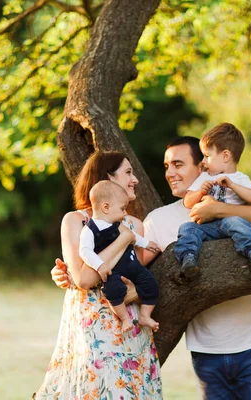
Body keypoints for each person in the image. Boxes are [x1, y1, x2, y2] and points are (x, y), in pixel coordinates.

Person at [52, 134, 251, 400]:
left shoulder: (234, 198)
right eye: (166, 167)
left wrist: (219, 210)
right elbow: (136, 272)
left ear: (202, 167)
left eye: (178, 164)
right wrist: (68, 274)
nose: (170, 173)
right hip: (205, 348)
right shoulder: (157, 221)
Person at [35, 151, 162, 399]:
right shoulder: (76, 221)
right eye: (128, 172)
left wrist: (136, 289)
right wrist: (123, 240)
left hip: (130, 329)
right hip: (93, 333)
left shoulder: (135, 224)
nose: (135, 179)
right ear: (107, 180)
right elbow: (84, 279)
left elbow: (139, 275)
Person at [175, 123, 251, 279]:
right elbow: (188, 202)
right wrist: (201, 191)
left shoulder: (240, 178)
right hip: (208, 227)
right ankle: (188, 258)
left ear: (225, 156)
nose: (203, 162)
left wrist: (232, 185)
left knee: (237, 222)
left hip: (231, 224)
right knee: (187, 228)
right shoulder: (205, 177)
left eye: (207, 156)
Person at [79, 180, 161, 333]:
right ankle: (124, 318)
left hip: (132, 266)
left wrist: (146, 244)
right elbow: (85, 251)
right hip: (113, 272)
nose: (125, 213)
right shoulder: (89, 230)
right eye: (123, 209)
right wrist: (99, 265)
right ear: (106, 207)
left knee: (151, 284)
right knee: (112, 290)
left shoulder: (116, 224)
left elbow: (133, 236)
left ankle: (145, 315)